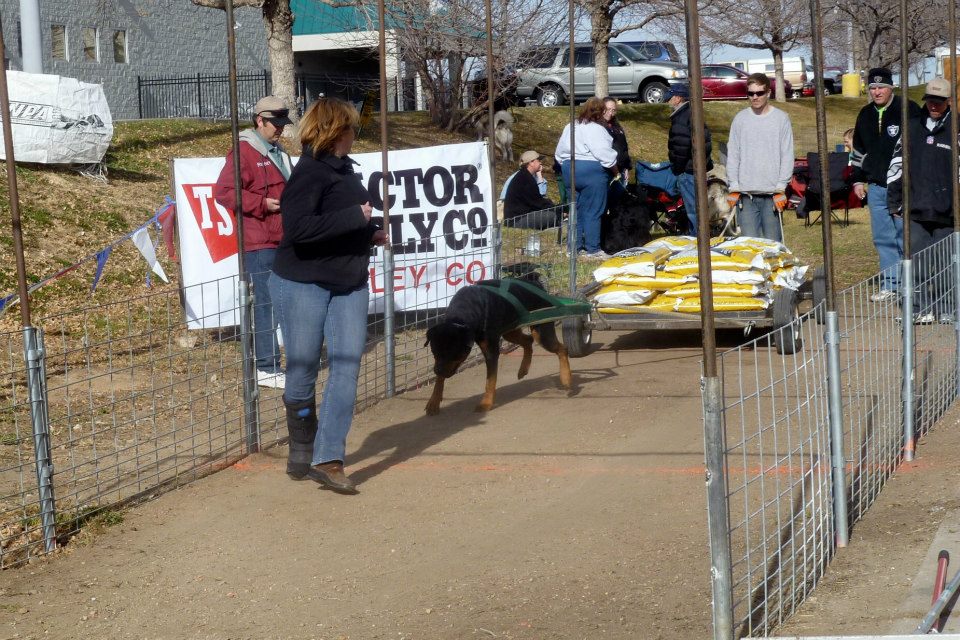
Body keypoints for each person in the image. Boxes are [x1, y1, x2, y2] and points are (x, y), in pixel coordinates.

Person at [268, 97, 388, 494]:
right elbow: (299, 230)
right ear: (337, 131)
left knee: (346, 368)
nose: (355, 134)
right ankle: (302, 448)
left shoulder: (344, 170)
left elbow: (337, 223)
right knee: (302, 370)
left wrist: (369, 233)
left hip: (348, 282)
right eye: (352, 127)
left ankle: (329, 457)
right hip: (303, 282)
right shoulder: (309, 173)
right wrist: (356, 218)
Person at [213, 95, 293, 389]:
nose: (280, 128)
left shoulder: (277, 151)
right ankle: (266, 367)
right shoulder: (244, 152)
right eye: (276, 123)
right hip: (259, 242)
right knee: (265, 303)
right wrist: (261, 204)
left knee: (281, 301)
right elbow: (223, 192)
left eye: (283, 123)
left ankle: (276, 363)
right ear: (259, 120)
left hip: (282, 239)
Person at [886, 77, 958, 324]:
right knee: (914, 261)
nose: (933, 106)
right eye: (930, 101)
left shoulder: (956, 128)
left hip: (948, 211)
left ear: (949, 101)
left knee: (946, 264)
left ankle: (947, 307)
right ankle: (918, 308)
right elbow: (897, 165)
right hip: (915, 209)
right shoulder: (912, 127)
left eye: (939, 101)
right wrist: (894, 201)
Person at [850, 67, 922, 302]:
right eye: (873, 88)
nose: (877, 92)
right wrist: (858, 180)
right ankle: (890, 283)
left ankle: (911, 283)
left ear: (891, 87)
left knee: (905, 235)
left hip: (902, 186)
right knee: (883, 237)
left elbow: (920, 142)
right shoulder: (865, 114)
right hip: (877, 187)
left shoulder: (907, 108)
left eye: (881, 87)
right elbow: (858, 150)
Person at [725, 73, 794, 242]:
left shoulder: (781, 119)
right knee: (749, 247)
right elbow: (733, 154)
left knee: (773, 246)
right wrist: (733, 186)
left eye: (759, 93)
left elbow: (787, 155)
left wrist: (780, 188)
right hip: (745, 196)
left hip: (772, 196)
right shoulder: (740, 119)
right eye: (751, 93)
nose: (755, 97)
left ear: (768, 93)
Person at [554, 96, 619, 260]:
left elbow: (559, 153)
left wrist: (566, 166)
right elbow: (605, 155)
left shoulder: (570, 127)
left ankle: (573, 247)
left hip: (570, 168)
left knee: (575, 209)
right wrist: (615, 171)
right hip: (591, 171)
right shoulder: (597, 129)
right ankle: (593, 249)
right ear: (601, 112)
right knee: (593, 210)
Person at [667, 82, 713, 236]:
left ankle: (698, 240)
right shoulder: (694, 113)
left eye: (670, 97)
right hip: (696, 168)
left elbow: (681, 146)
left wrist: (678, 169)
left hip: (688, 170)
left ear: (678, 98)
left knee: (694, 209)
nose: (668, 100)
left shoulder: (682, 117)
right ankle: (701, 238)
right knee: (699, 208)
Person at [503, 150, 557, 229]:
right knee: (552, 216)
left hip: (520, 216)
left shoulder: (524, 175)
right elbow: (537, 203)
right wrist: (556, 208)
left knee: (550, 212)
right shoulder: (525, 179)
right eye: (538, 160)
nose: (540, 163)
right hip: (516, 221)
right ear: (531, 163)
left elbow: (536, 201)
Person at [602, 97, 631, 184]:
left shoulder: (616, 126)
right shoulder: (598, 127)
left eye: (613, 110)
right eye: (608, 109)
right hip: (608, 171)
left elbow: (624, 148)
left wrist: (626, 167)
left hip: (621, 170)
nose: (610, 113)